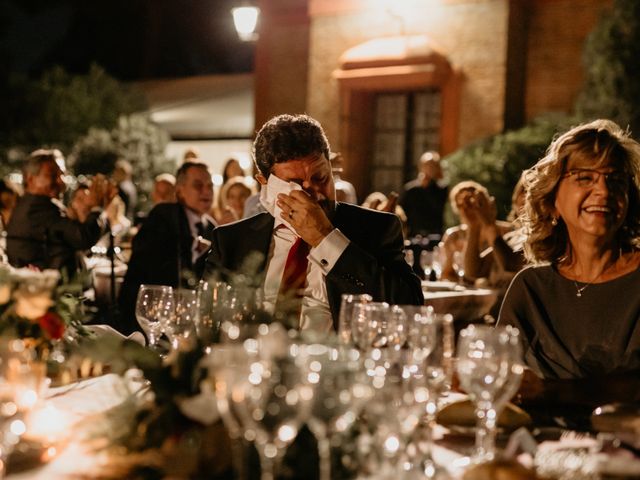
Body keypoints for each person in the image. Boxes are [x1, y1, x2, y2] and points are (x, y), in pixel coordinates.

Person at [204, 114, 423, 332]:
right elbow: (207, 322)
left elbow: (410, 308)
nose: (315, 195)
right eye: (296, 185)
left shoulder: (376, 228)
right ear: (265, 183)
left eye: (321, 178)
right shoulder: (232, 240)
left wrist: (325, 238)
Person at [498, 119, 640, 407]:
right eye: (585, 177)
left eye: (615, 179)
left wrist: (554, 391)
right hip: (538, 444)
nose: (603, 191)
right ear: (551, 201)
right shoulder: (530, 288)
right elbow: (500, 375)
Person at [118, 161, 216, 334]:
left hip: (189, 323)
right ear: (179, 190)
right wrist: (193, 244)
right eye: (198, 185)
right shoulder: (164, 214)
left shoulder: (211, 228)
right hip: (148, 319)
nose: (206, 191)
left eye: (210, 185)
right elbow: (152, 257)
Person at [6, 149, 113, 278]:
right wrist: (97, 207)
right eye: (52, 175)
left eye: (62, 175)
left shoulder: (32, 205)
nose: (61, 181)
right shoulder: (38, 208)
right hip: (49, 292)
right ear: (30, 179)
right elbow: (83, 237)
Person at [440, 181, 518, 284]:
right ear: (456, 208)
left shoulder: (506, 231)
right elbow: (446, 274)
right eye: (462, 203)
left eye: (474, 201)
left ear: (485, 203)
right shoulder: (453, 236)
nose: (469, 207)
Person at [399, 150, 448, 239]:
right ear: (421, 167)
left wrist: (426, 188)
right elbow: (402, 213)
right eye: (427, 165)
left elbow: (438, 208)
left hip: (435, 235)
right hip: (413, 235)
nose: (429, 168)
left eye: (433, 166)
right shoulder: (410, 189)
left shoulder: (442, 189)